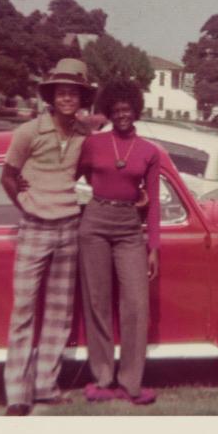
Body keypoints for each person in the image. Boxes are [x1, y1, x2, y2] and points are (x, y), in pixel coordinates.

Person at [0, 58, 95, 416]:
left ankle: (45, 386)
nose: (68, 97)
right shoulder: (28, 132)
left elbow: (91, 170)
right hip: (34, 227)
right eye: (62, 91)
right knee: (23, 309)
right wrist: (25, 204)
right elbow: (7, 176)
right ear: (52, 95)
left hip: (68, 227)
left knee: (58, 312)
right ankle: (17, 394)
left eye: (75, 92)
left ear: (81, 98)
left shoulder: (83, 136)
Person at [76, 78, 160, 405]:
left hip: (129, 227)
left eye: (128, 109)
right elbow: (78, 175)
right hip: (95, 222)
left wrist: (154, 247)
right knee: (97, 303)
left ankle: (131, 382)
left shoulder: (149, 152)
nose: (122, 114)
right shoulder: (94, 144)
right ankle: (102, 378)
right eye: (116, 109)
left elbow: (151, 202)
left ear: (136, 110)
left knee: (137, 305)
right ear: (109, 111)